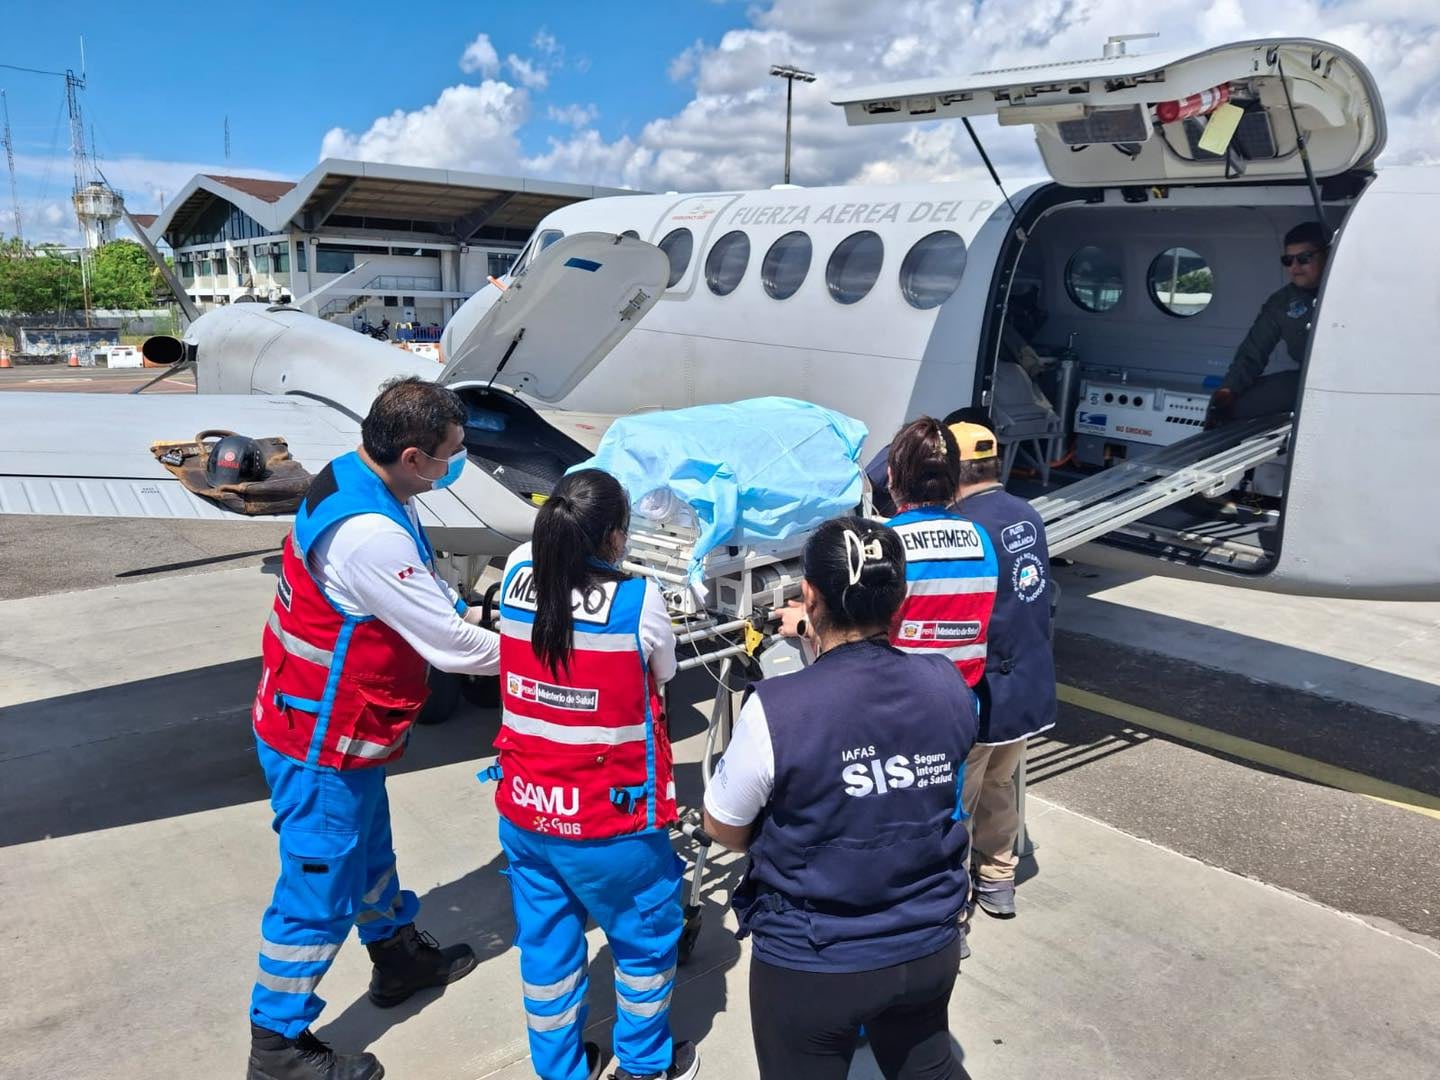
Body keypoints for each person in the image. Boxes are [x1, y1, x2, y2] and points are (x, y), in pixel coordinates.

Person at [247, 376, 503, 1080]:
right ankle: (277, 1048)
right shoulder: (368, 534)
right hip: (318, 743)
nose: (458, 462)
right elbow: (453, 649)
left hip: (341, 729)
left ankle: (396, 957)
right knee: (317, 893)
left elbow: (420, 592)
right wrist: (553, 655)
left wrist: (472, 611)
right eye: (451, 453)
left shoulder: (360, 475)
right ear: (415, 456)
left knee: (370, 853)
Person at [705, 516, 977, 1080]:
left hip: (815, 960)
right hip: (928, 945)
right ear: (899, 599)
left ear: (809, 594)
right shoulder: (948, 684)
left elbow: (723, 826)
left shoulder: (778, 708)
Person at [493, 468, 698, 1080]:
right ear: (614, 536)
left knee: (547, 947)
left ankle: (558, 1070)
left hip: (526, 807)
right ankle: (642, 1066)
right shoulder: (639, 601)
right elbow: (664, 675)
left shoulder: (512, 576)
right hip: (609, 821)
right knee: (644, 942)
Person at [950, 421, 1057, 919]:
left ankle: (953, 904)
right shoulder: (1026, 513)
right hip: (1026, 690)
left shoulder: (964, 528)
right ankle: (997, 879)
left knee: (957, 798)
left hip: (985, 689)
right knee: (999, 784)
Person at [883, 417, 999, 690]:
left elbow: (862, 636)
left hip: (902, 697)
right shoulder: (980, 538)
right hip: (962, 699)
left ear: (891, 475)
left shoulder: (887, 541)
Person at [1207, 221, 1330, 426]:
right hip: (1307, 382)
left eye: (1304, 258)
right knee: (1225, 406)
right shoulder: (1282, 303)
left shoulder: (1354, 292)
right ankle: (1209, 454)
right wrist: (1229, 390)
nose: (1295, 267)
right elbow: (1252, 352)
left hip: (1356, 384)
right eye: (1288, 260)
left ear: (1327, 255)